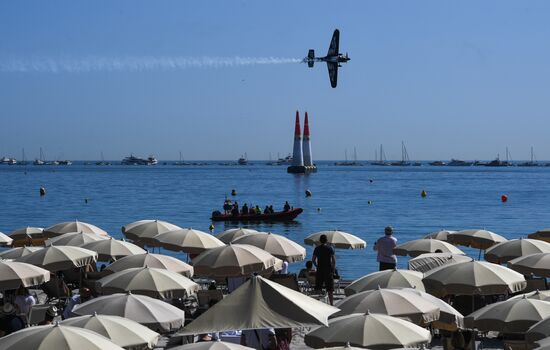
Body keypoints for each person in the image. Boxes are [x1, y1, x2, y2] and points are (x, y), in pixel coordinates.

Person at [312, 234, 336, 305]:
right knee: (330, 289)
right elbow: (334, 261)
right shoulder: (330, 248)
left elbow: (313, 260)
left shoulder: (317, 249)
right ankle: (331, 304)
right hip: (328, 270)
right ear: (326, 240)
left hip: (320, 270)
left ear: (320, 240)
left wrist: (317, 266)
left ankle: (318, 304)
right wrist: (333, 269)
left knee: (318, 288)